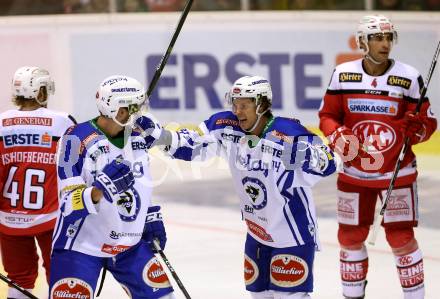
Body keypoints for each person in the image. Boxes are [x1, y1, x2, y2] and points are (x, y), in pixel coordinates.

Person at [135, 75, 338, 299]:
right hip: (257, 233)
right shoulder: (227, 125)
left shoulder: (288, 131)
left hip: (292, 234)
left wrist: (292, 152)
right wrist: (158, 136)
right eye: (235, 104)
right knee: (259, 297)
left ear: (261, 105)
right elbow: (190, 145)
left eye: (244, 106)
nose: (237, 111)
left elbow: (329, 163)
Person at [319, 15, 437, 299]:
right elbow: (328, 116)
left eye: (388, 38)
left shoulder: (408, 76)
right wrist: (336, 136)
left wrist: (417, 129)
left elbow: (428, 122)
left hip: (397, 172)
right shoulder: (343, 74)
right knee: (349, 237)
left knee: (401, 237)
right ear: (363, 41)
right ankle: (352, 295)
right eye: (377, 38)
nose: (385, 44)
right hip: (354, 174)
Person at [49, 75, 174, 299]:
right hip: (81, 246)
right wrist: (100, 189)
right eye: (135, 107)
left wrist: (150, 216)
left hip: (128, 245)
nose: (140, 113)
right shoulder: (75, 140)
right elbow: (67, 206)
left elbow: (141, 183)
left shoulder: (137, 135)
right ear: (119, 110)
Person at [0, 66, 76, 299]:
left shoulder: (1, 123)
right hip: (51, 218)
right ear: (40, 91)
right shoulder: (62, 122)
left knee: (19, 281)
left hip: (8, 220)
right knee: (61, 276)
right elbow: (78, 163)